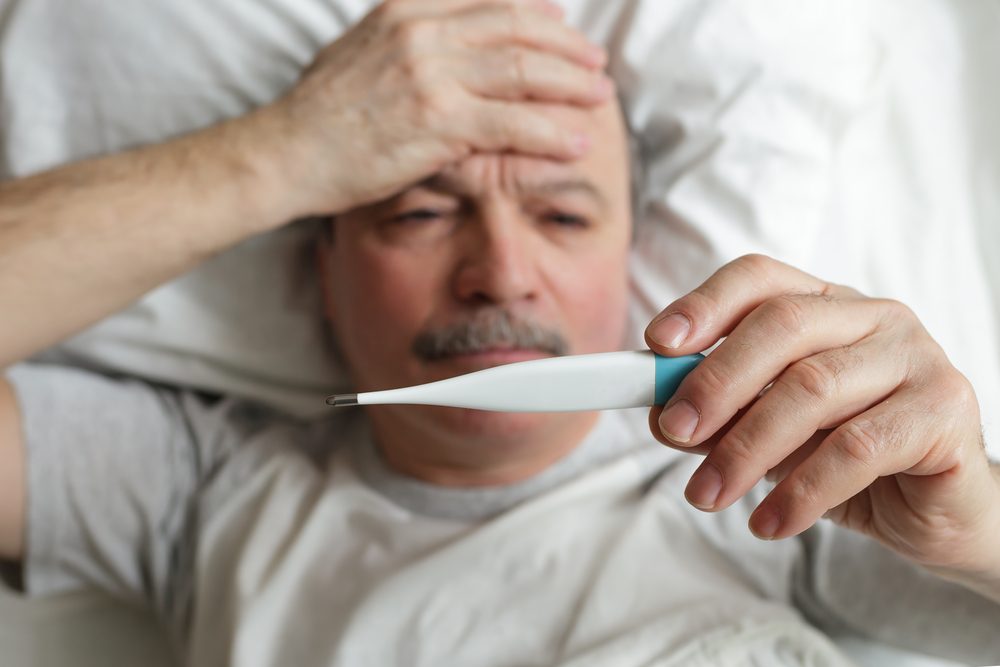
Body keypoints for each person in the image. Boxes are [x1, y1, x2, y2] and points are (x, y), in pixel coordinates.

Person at [0, 0, 998, 665]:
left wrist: (977, 522)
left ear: (628, 256)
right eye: (418, 214)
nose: (500, 274)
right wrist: (277, 155)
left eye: (563, 216)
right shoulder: (198, 493)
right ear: (324, 271)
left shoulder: (779, 489)